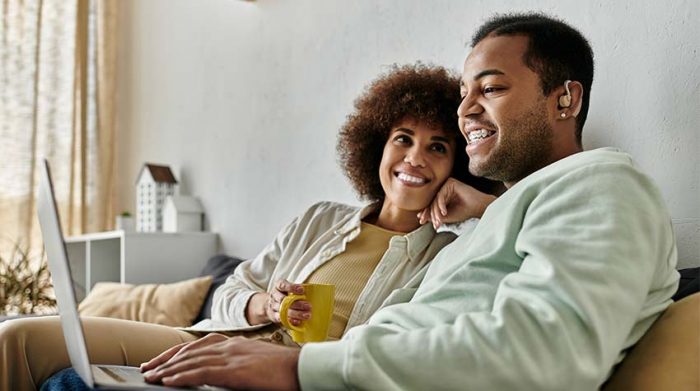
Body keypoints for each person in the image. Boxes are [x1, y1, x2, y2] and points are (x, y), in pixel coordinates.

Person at [139, 12, 680, 391]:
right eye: (465, 93)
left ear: (565, 98)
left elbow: (547, 354)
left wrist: (297, 369)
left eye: (489, 89)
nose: (466, 109)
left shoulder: (601, 183)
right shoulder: (504, 220)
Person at [0, 63, 499, 391]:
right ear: (378, 146)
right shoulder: (321, 218)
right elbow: (232, 289)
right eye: (403, 139)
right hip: (211, 337)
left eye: (438, 147)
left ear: (459, 164)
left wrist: (479, 203)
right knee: (19, 336)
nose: (414, 158)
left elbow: (515, 231)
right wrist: (268, 304)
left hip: (281, 373)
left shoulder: (449, 250)